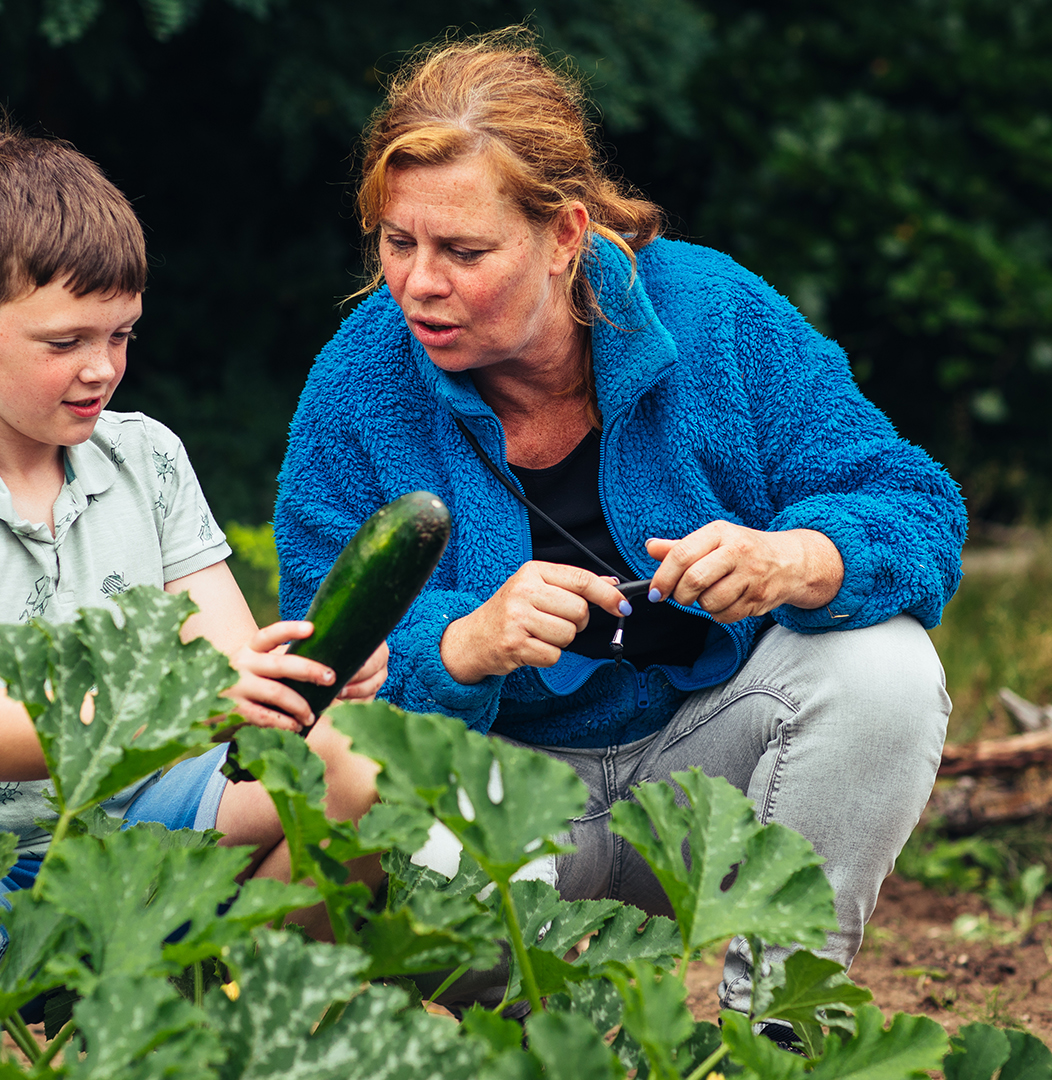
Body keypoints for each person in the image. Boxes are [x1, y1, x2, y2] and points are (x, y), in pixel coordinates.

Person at [273, 31, 965, 1018]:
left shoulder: (715, 312)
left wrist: (797, 558)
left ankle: (778, 1017)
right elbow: (323, 667)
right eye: (397, 242)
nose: (418, 283)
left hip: (705, 778)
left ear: (564, 236)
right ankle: (547, 1039)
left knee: (884, 670)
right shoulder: (358, 383)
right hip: (504, 807)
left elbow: (914, 501)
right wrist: (465, 644)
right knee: (392, 822)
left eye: (463, 251)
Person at [0, 118, 384, 927]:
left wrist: (295, 676)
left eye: (121, 334)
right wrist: (200, 700)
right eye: (65, 342)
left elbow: (227, 657)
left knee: (363, 759)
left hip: (140, 816)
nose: (102, 369)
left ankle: (215, 999)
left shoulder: (146, 455)